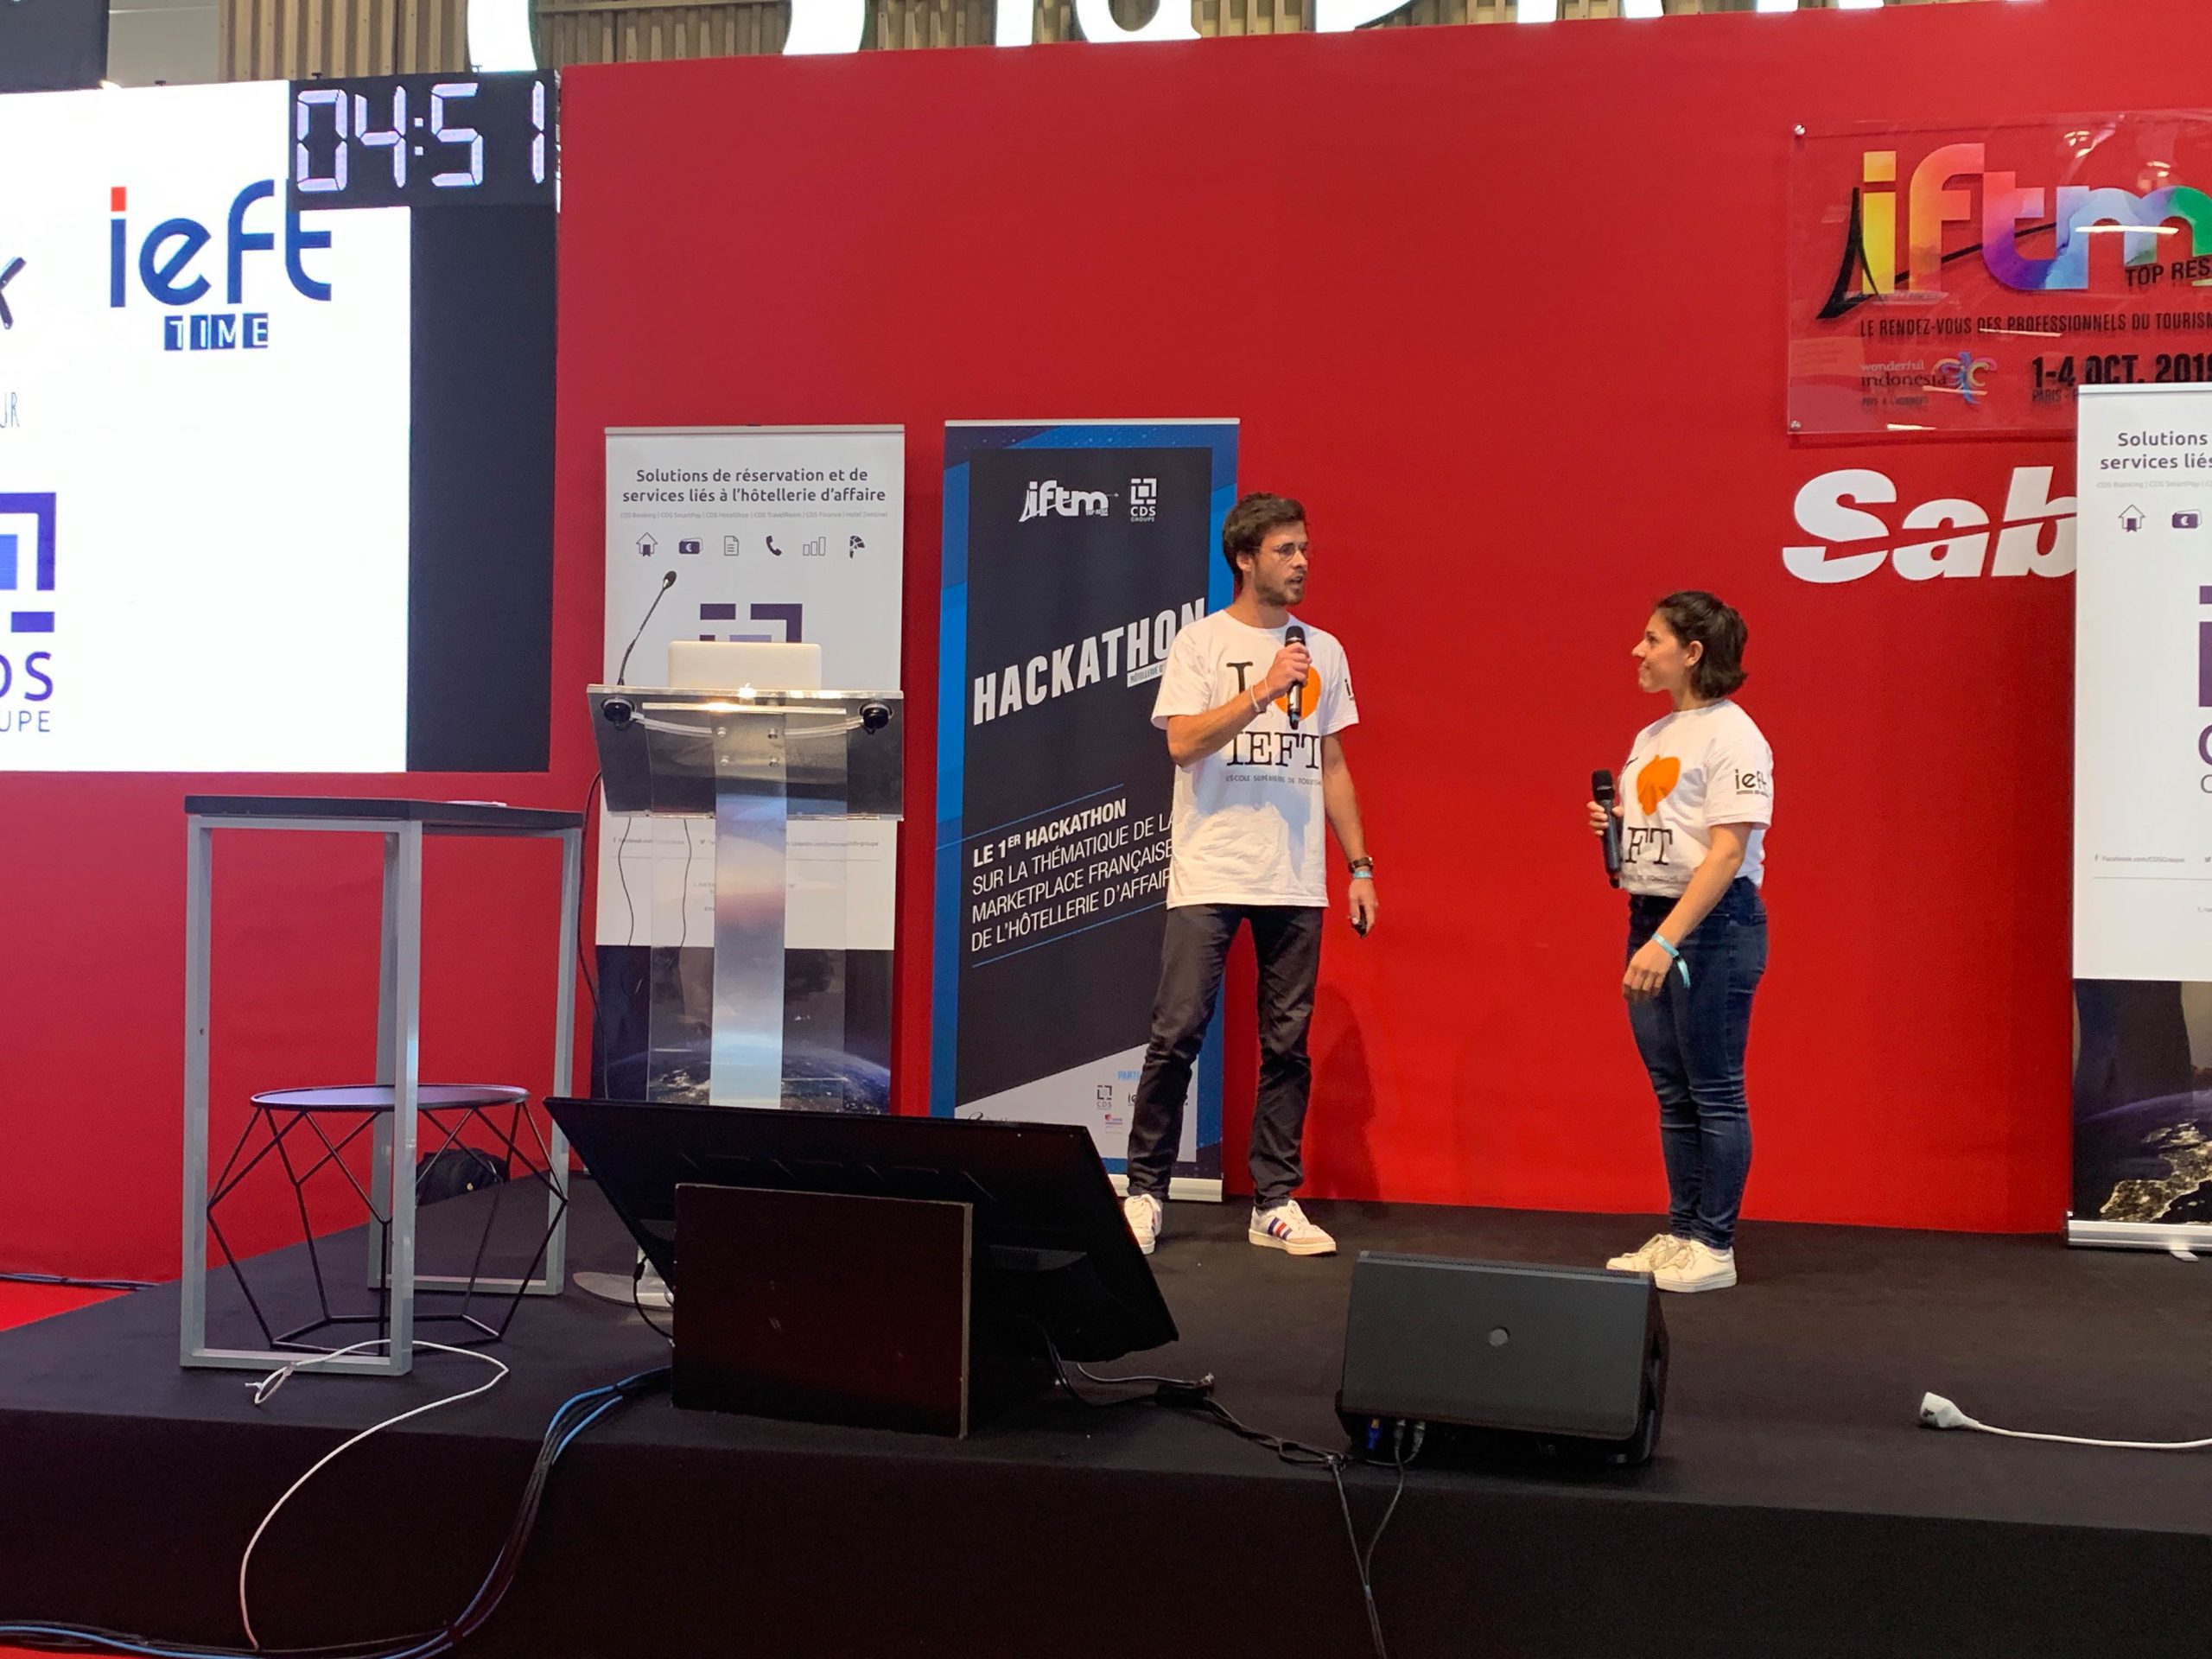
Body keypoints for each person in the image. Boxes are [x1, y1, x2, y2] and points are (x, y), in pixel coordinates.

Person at [1121, 493, 1376, 1259]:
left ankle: (1274, 1201)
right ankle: (1144, 1192)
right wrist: (1263, 687)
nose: (1301, 563)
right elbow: (1183, 743)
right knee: (1176, 1035)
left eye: (1305, 549)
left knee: (1287, 1044)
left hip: (1293, 877)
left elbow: (1333, 764)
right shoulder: (1199, 643)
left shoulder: (1324, 649)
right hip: (1211, 868)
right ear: (1244, 558)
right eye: (1285, 550)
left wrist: (1359, 865)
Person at [1586, 591, 1771, 1294]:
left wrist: (1665, 943)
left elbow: (1726, 853)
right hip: (1652, 915)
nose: (1638, 651)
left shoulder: (1735, 737)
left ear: (1693, 653)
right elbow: (1672, 828)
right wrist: (1614, 827)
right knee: (1674, 1091)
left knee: (1715, 1090)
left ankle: (1714, 1244)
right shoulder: (1654, 735)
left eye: (1652, 639)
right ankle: (1683, 1231)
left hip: (1711, 929)